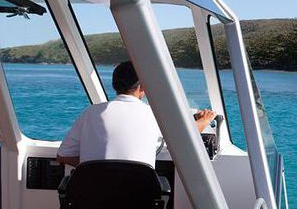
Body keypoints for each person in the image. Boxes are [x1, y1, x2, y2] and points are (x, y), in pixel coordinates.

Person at [57, 61, 216, 168]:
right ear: (142, 87)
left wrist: (96, 168)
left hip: (91, 201)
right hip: (138, 200)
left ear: (114, 85)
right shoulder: (153, 115)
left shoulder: (90, 113)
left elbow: (63, 156)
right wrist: (205, 120)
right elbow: (185, 140)